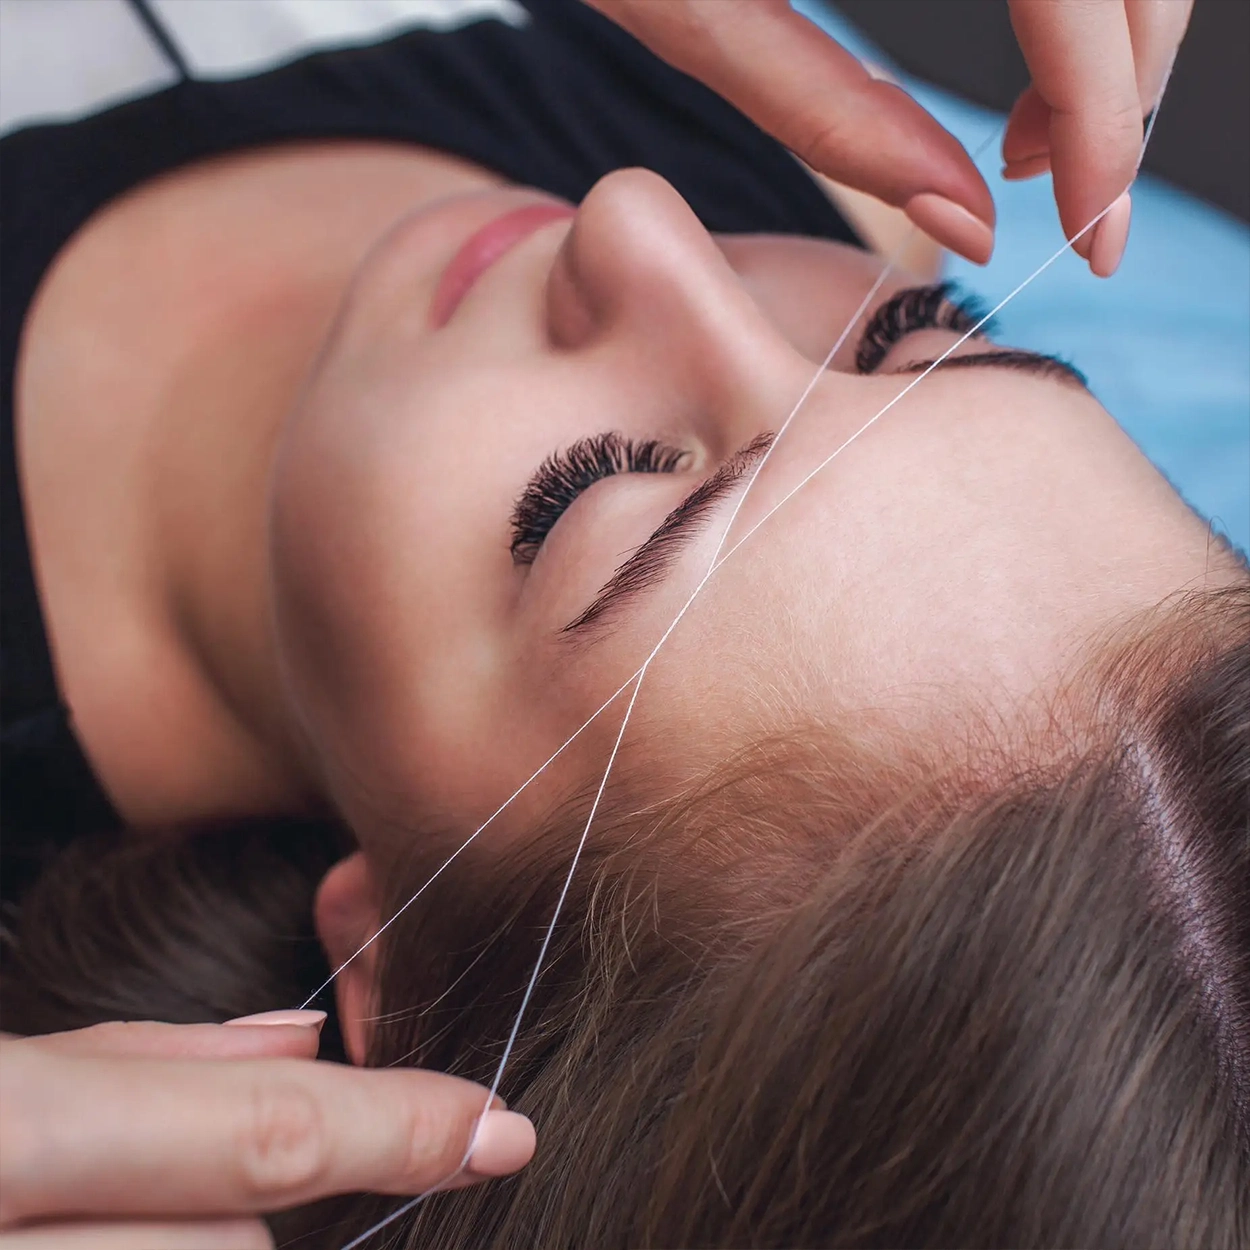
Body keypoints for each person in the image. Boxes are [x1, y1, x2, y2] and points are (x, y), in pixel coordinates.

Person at [4, 0, 1241, 1247]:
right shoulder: (805, 159)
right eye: (921, 342)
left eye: (591, 491)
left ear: (384, 964)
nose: (641, 215)